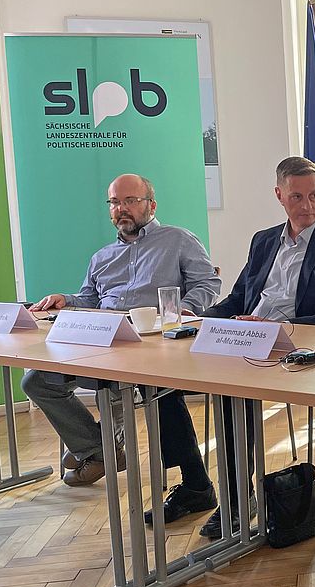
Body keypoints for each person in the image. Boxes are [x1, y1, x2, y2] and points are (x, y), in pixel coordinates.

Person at [23, 174, 222, 524]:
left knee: (158, 388)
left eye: (130, 201)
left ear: (151, 205)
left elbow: (208, 283)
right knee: (37, 380)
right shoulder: (102, 256)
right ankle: (98, 449)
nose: (121, 209)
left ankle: (196, 484)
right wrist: (64, 299)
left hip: (155, 346)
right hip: (103, 344)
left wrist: (183, 312)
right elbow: (89, 299)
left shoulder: (178, 240)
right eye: (115, 203)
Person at [197, 156, 315, 538]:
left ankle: (237, 504)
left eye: (314, 196)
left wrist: (278, 328)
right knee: (215, 384)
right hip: (252, 341)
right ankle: (235, 499)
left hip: (302, 348)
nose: (308, 206)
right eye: (297, 197)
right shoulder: (264, 240)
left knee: (232, 389)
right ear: (279, 195)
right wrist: (198, 319)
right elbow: (238, 299)